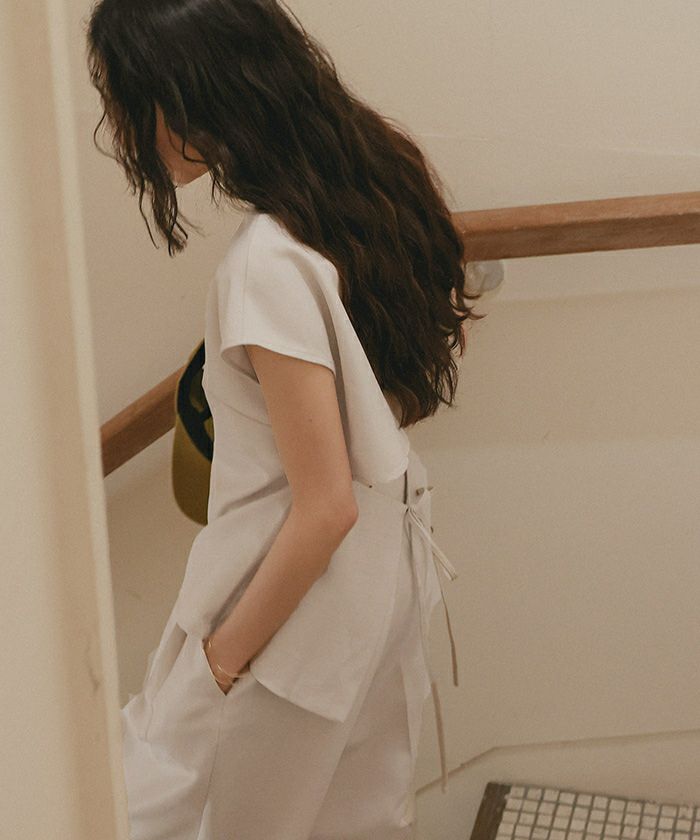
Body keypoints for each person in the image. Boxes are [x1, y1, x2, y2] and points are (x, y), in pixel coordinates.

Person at [85, 1, 486, 837]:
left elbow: (324, 505)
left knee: (174, 812)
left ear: (184, 96)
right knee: (351, 817)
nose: (124, 128)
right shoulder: (373, 177)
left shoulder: (264, 266)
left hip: (291, 604)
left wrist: (217, 665)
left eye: (127, 99)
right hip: (374, 581)